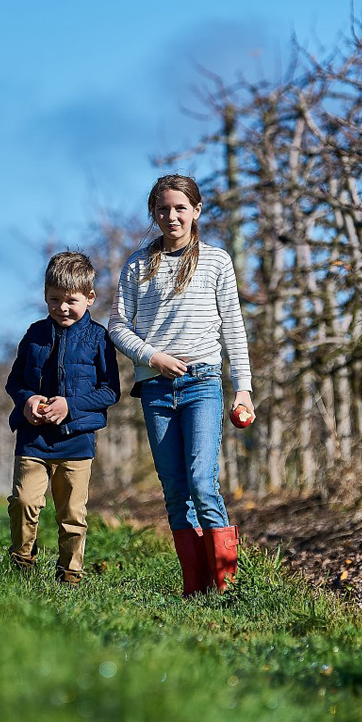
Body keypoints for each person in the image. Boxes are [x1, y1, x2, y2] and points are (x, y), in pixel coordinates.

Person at [108, 175, 254, 596]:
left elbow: (234, 329)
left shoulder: (216, 261)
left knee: (201, 480)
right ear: (153, 214)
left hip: (203, 382)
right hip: (155, 388)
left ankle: (227, 586)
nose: (171, 216)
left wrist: (242, 388)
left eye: (179, 208)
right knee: (174, 488)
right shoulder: (136, 265)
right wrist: (151, 357)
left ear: (196, 210)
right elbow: (118, 325)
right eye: (162, 209)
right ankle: (197, 588)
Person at [4, 251, 120, 585]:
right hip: (33, 440)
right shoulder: (34, 334)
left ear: (90, 297)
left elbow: (110, 391)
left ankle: (70, 574)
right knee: (24, 501)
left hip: (77, 443)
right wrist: (28, 401)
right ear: (45, 296)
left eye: (71, 300)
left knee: (72, 514)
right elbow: (15, 382)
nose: (62, 308)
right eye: (54, 299)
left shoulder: (99, 339)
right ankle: (21, 563)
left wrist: (70, 405)